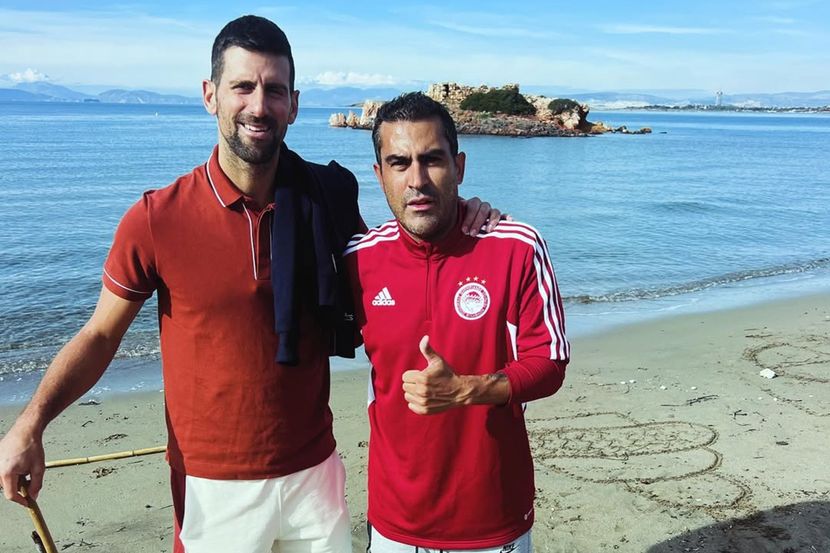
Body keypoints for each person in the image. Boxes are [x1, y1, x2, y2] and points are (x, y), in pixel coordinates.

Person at [0, 16, 500, 553]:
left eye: (275, 90)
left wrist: (459, 215)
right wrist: (31, 424)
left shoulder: (327, 197)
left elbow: (398, 262)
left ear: (294, 104)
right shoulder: (157, 218)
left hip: (316, 474)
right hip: (213, 487)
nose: (259, 106)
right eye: (243, 87)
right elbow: (100, 336)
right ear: (210, 95)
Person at [344, 92, 569, 552]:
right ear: (379, 175)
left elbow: (549, 363)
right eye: (399, 163)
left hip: (493, 516)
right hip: (395, 520)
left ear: (459, 167)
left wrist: (466, 390)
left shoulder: (517, 247)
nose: (417, 180)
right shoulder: (357, 260)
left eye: (432, 160)